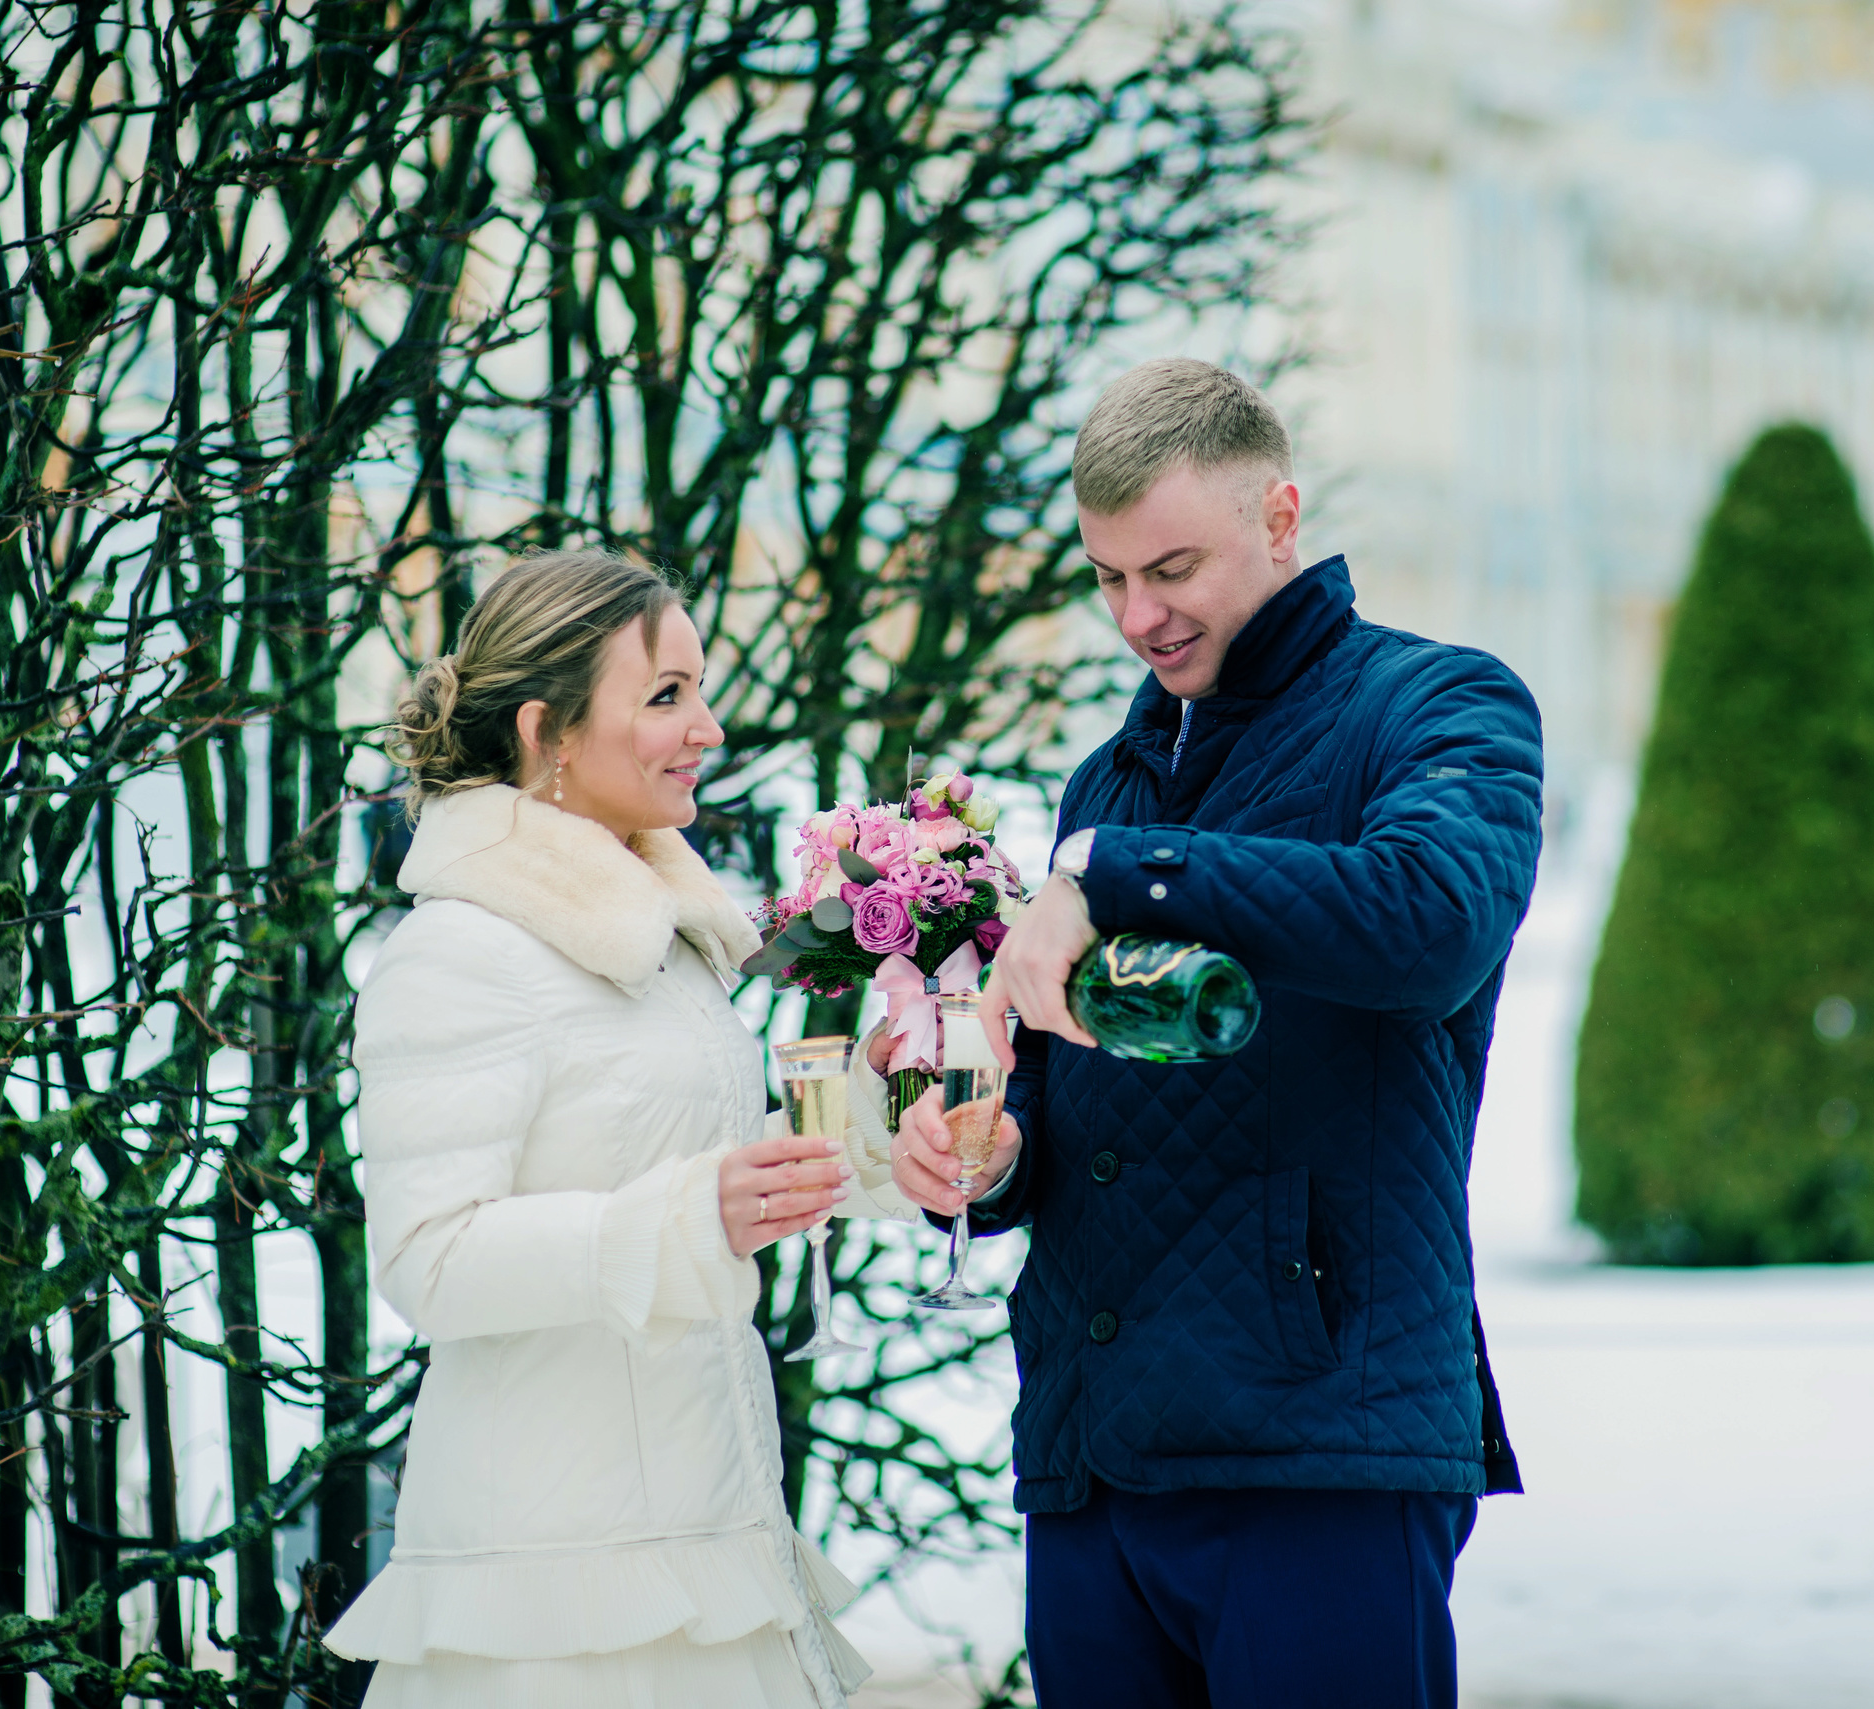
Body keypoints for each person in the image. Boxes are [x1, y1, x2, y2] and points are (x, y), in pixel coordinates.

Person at [890, 360, 1544, 1708]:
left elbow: (1433, 923)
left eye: (1172, 567)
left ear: (1281, 514)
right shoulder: (1108, 773)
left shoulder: (1441, 704)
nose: (1139, 615)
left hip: (1321, 1450)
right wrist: (993, 1159)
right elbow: (1077, 1118)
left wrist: (1129, 872)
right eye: (1110, 579)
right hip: (1092, 1459)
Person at [324, 552, 911, 1708]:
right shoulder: (463, 949)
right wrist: (691, 1218)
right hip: (559, 1599)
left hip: (713, 1535)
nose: (709, 724)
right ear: (546, 731)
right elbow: (427, 1260)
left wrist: (883, 1134)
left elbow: (696, 1168)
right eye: (665, 696)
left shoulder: (653, 933)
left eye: (698, 687)